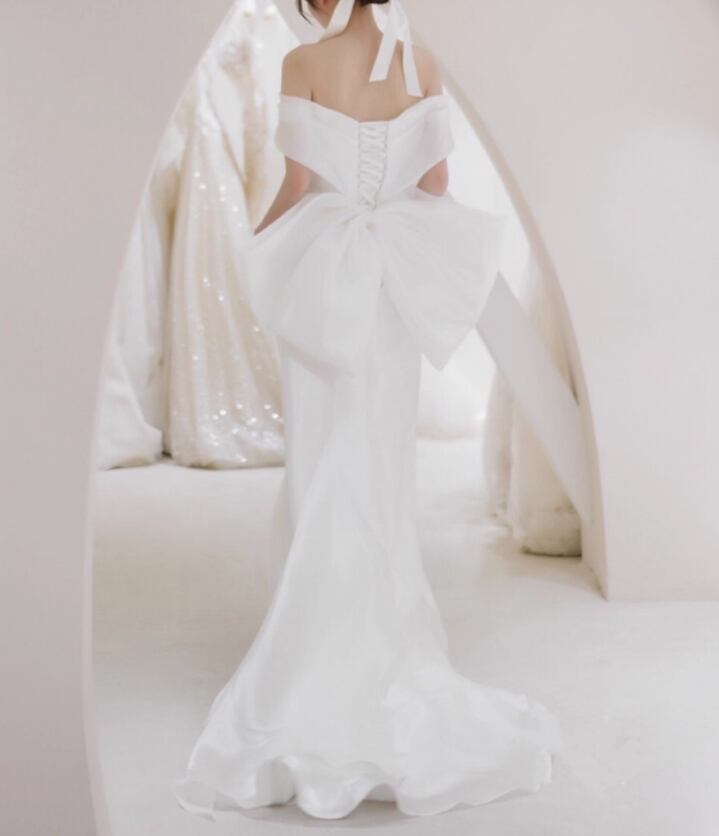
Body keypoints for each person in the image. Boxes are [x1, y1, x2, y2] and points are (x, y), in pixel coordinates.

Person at [175, 0, 561, 821]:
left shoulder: (301, 65)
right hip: (389, 284)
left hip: (325, 281)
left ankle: (314, 649)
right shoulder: (422, 61)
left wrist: (256, 257)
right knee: (382, 467)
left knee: (323, 464)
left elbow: (295, 188)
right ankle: (385, 643)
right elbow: (435, 185)